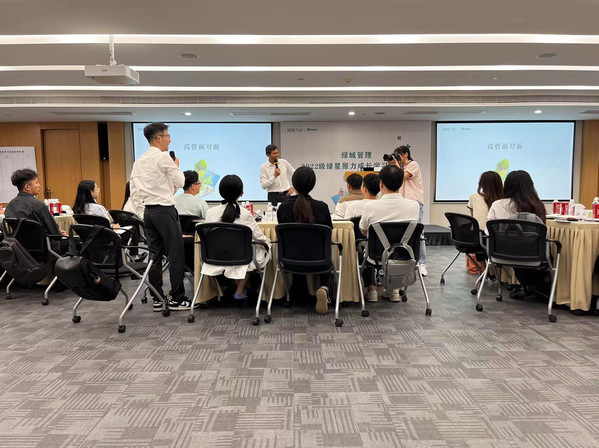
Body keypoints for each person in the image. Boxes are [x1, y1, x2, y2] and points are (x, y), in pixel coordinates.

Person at [129, 122, 190, 311]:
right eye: (167, 136)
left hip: (148, 212)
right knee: (175, 254)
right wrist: (176, 166)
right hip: (165, 210)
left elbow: (134, 190)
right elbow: (181, 181)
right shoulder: (163, 157)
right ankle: (177, 299)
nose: (169, 140)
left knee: (154, 256)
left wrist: (142, 212)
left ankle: (157, 298)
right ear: (158, 138)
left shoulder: (139, 161)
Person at [203, 175, 270, 302]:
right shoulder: (244, 213)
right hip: (241, 257)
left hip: (216, 256)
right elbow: (259, 237)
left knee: (239, 255)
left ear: (220, 192)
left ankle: (239, 289)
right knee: (257, 251)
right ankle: (240, 291)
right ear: (241, 193)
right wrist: (268, 242)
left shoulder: (211, 212)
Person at [277, 166, 333, 314]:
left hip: (289, 262)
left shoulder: (283, 208)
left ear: (293, 184)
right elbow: (329, 233)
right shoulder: (322, 207)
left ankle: (289, 292)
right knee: (330, 252)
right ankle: (324, 288)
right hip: (319, 262)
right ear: (313, 184)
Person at [359, 165, 420, 302]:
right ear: (401, 183)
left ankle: (371, 289)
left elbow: (363, 231)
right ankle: (394, 290)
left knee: (362, 247)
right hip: (404, 255)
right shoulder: (414, 205)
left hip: (376, 256)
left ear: (381, 184)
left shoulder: (370, 206)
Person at [486, 170, 547, 299]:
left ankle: (526, 286)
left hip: (502, 253)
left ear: (507, 186)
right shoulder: (537, 206)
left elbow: (488, 231)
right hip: (532, 254)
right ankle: (542, 287)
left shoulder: (497, 205)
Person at [4, 168, 68, 253]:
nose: (39, 185)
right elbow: (54, 232)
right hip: (45, 247)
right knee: (74, 243)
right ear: (27, 187)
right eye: (36, 182)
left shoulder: (10, 205)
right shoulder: (38, 205)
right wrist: (59, 233)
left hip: (20, 248)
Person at [389, 146, 428, 275]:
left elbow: (402, 177)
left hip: (415, 203)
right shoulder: (400, 167)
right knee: (402, 233)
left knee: (419, 233)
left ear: (406, 154)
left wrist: (396, 165)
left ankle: (422, 263)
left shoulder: (413, 164)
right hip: (403, 203)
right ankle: (405, 260)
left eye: (399, 155)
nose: (398, 158)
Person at [466, 171, 503, 273]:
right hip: (498, 239)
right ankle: (493, 271)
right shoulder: (503, 199)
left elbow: (473, 218)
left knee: (479, 238)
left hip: (479, 238)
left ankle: (484, 270)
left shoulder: (473, 197)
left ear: (482, 184)